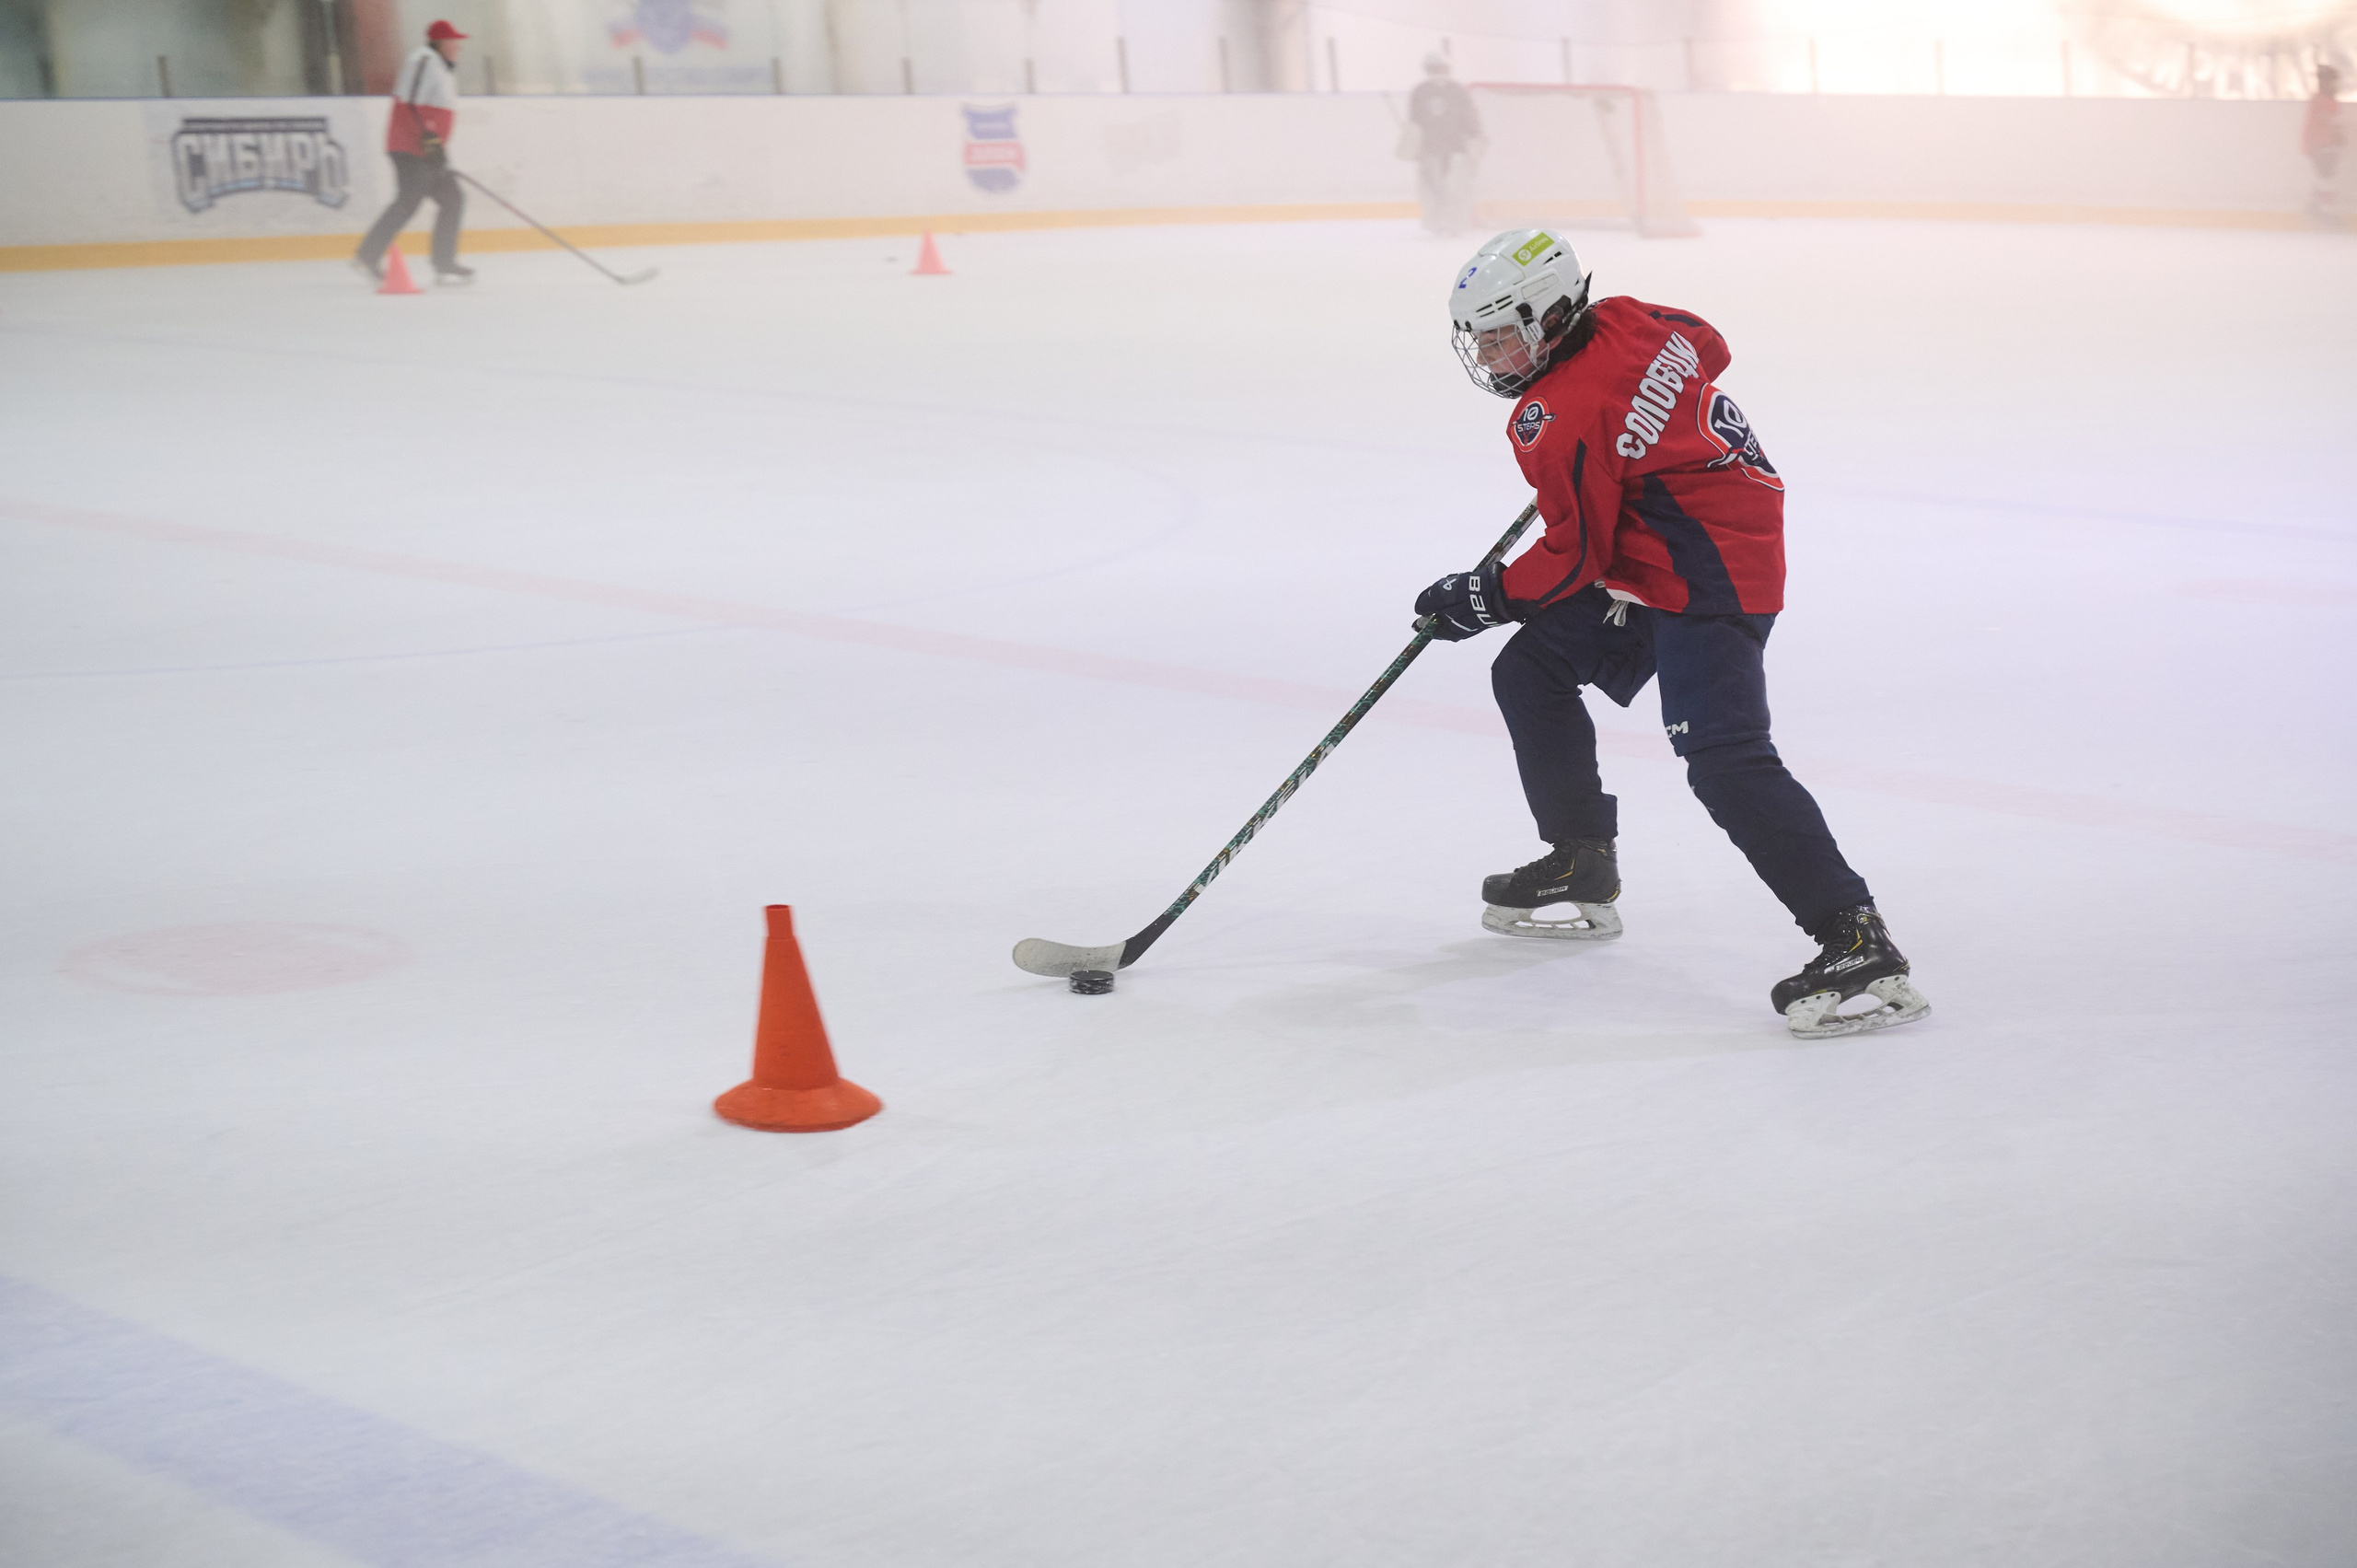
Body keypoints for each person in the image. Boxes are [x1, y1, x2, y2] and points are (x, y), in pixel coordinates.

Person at [1413, 229, 1929, 1039]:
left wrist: (1483, 596)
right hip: (1679, 547)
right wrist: (1634, 438)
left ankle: (1856, 937)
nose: (1488, 351)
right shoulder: (1627, 316)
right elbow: (1708, 346)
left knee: (1723, 757)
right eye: (1477, 336)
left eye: (1501, 330)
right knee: (1530, 673)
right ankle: (1582, 857)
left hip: (1709, 576)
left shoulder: (1558, 415)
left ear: (1549, 314)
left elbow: (1573, 554)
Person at [354, 19, 473, 285]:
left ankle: (444, 263)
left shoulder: (442, 69)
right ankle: (367, 255)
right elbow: (408, 103)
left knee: (453, 199)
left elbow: (433, 113)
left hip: (429, 149)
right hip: (409, 147)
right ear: (441, 43)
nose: (458, 48)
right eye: (455, 42)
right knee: (409, 201)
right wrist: (430, 141)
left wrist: (437, 148)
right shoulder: (424, 60)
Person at [1407, 53, 1481, 237]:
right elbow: (1415, 120)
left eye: (1441, 68)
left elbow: (1468, 113)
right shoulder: (1420, 91)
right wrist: (1414, 143)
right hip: (1429, 147)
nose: (1438, 72)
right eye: (1434, 69)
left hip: (1455, 146)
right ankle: (1435, 220)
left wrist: (1474, 133)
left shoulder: (1457, 90)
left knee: (1455, 186)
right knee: (1432, 186)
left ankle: (1453, 221)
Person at [2305, 64, 2344, 229]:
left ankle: (2316, 207)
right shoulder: (2322, 101)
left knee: (2325, 178)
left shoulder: (2328, 100)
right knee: (2326, 178)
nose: (2334, 85)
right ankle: (2323, 211)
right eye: (2331, 81)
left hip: (2326, 145)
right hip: (2321, 146)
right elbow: (2324, 124)